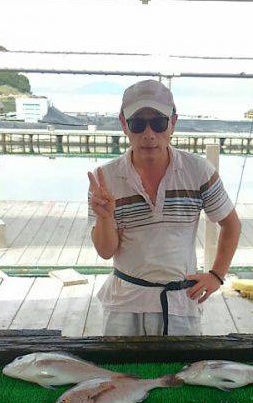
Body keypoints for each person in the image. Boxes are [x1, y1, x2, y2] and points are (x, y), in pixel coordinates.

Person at [88, 79, 241, 336]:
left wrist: (216, 275)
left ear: (173, 123)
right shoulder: (104, 178)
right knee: (121, 375)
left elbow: (231, 224)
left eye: (158, 123)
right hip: (125, 303)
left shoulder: (199, 171)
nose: (149, 134)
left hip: (181, 301)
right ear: (124, 125)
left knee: (182, 374)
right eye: (138, 124)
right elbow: (105, 251)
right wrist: (104, 217)